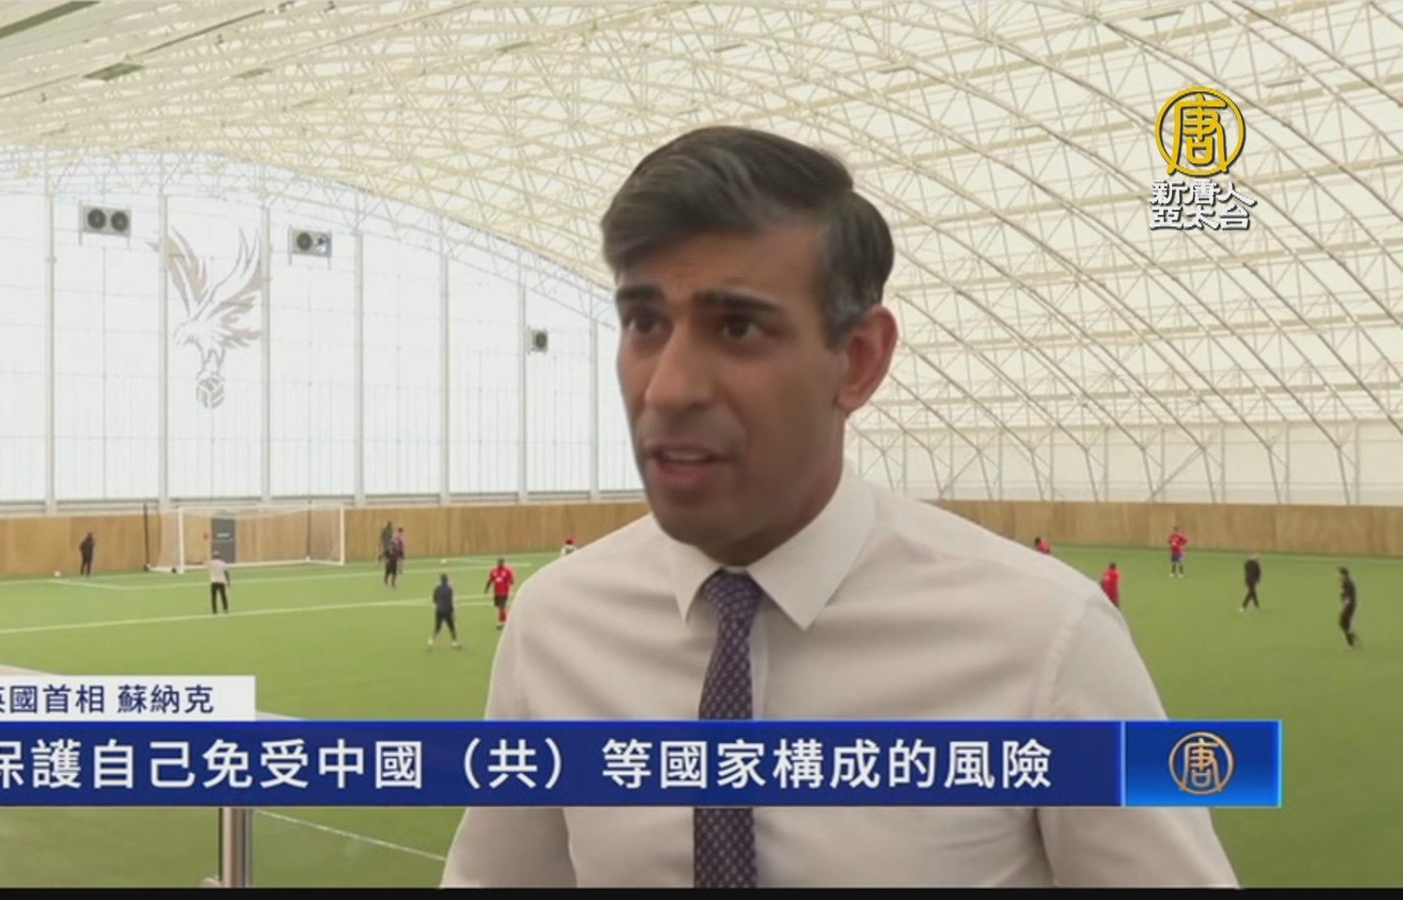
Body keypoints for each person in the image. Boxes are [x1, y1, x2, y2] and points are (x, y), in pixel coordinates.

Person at [441, 126, 1236, 888]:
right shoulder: (557, 625)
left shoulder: (1046, 638)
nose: (669, 388)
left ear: (857, 361)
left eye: (738, 327)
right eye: (644, 322)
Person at [430, 573, 461, 650]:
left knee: (437, 627)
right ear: (447, 580)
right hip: (447, 610)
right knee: (451, 627)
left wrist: (439, 604)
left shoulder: (437, 588)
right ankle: (454, 643)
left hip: (439, 610)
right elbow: (450, 601)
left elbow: (434, 600)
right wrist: (452, 611)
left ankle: (431, 642)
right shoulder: (449, 589)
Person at [485, 558, 517, 629]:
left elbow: (511, 581)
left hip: (504, 592)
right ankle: (505, 621)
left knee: (502, 607)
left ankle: (501, 622)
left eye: (501, 563)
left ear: (503, 563)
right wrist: (486, 589)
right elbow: (490, 580)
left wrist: (511, 589)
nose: (499, 564)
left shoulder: (507, 571)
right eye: (498, 563)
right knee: (500, 607)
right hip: (496, 592)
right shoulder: (493, 571)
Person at [1338, 567, 1359, 648]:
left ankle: (1350, 643)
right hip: (1349, 605)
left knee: (1343, 623)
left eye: (1339, 574)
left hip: (1349, 606)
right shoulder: (1346, 582)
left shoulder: (1347, 583)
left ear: (1343, 574)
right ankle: (1351, 637)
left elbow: (1348, 597)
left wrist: (1343, 607)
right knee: (1344, 624)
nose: (1337, 576)